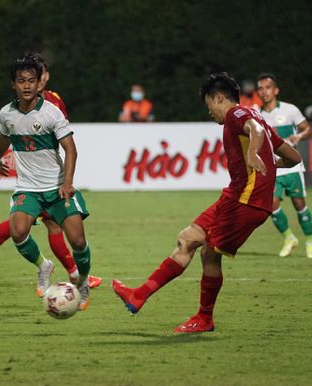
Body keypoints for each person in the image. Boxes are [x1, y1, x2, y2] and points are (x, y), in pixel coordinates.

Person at [112, 72, 301, 333]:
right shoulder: (256, 116)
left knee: (209, 253)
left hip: (248, 201)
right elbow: (294, 157)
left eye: (209, 105)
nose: (210, 112)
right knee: (187, 238)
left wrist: (255, 153)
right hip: (234, 196)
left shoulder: (237, 115)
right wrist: (269, 161)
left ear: (219, 98)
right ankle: (138, 296)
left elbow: (255, 130)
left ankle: (204, 318)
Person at [0, 54, 102, 293]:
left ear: (40, 82)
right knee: (18, 231)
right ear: (13, 84)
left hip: (56, 187)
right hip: (28, 188)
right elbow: (4, 136)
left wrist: (67, 183)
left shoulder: (52, 110)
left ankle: (83, 278)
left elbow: (70, 149)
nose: (26, 85)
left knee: (77, 240)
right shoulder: (7, 113)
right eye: (21, 81)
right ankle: (44, 266)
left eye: (31, 80)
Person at [256, 73, 312, 258]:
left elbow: (308, 129)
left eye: (267, 87)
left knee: (299, 204)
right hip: (273, 167)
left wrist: (298, 136)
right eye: (260, 88)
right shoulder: (257, 115)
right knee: (271, 205)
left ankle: (310, 242)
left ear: (275, 90)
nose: (264, 91)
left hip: (291, 166)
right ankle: (289, 238)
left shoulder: (290, 110)